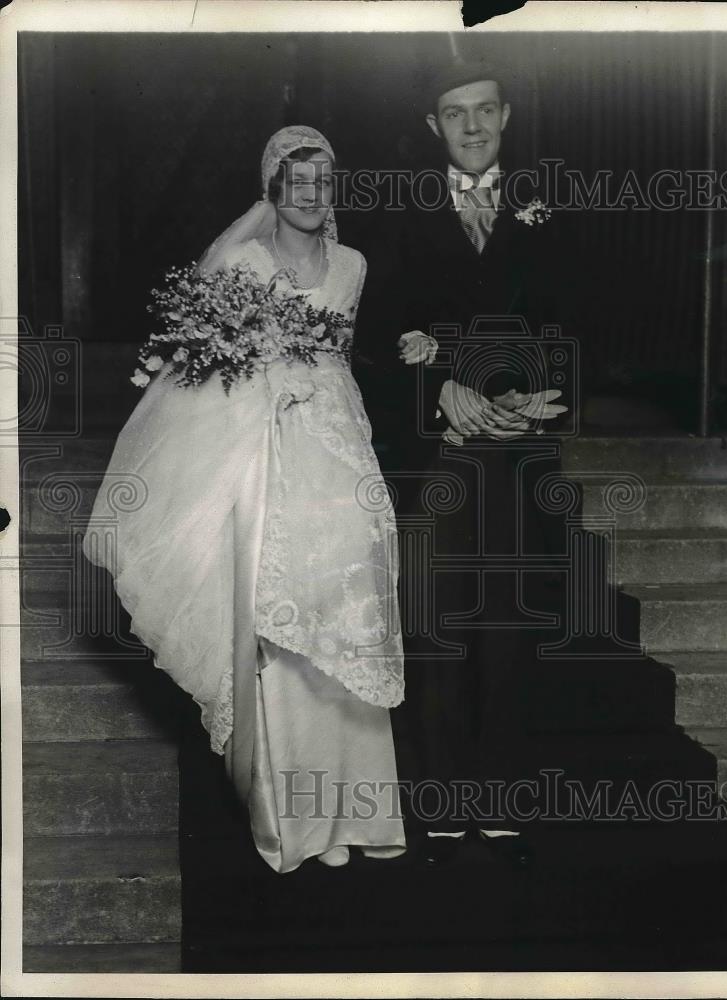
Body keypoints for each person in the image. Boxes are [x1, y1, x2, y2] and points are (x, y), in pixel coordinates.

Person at [84, 125, 406, 873]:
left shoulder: (352, 263)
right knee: (275, 609)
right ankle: (295, 824)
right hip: (265, 446)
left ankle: (354, 814)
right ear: (271, 190)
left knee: (347, 605)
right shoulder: (244, 260)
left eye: (323, 183)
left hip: (336, 442)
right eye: (295, 182)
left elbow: (342, 355)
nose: (310, 196)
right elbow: (206, 325)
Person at [354, 62, 567, 865]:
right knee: (438, 618)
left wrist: (533, 397)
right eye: (455, 114)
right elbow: (373, 337)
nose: (471, 127)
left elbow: (569, 318)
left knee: (508, 618)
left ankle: (504, 790)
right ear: (433, 125)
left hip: (517, 442)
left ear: (504, 116)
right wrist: (436, 388)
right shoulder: (404, 214)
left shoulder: (546, 207)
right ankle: (441, 794)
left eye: (484, 111)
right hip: (434, 447)